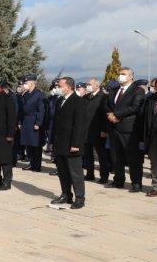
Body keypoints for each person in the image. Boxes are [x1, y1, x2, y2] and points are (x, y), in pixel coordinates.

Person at [105, 67, 146, 192]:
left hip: (129, 129)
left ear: (131, 77)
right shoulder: (114, 90)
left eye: (123, 74)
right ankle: (118, 180)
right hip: (114, 128)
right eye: (120, 74)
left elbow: (135, 107)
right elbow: (107, 105)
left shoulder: (137, 90)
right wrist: (109, 114)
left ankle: (136, 183)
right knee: (116, 157)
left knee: (133, 158)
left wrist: (117, 115)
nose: (120, 76)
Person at [50, 77, 88, 209]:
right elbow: (56, 123)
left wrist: (76, 144)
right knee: (63, 172)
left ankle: (80, 198)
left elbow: (80, 125)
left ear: (68, 87)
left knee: (75, 172)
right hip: (60, 142)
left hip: (72, 144)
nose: (58, 88)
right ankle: (66, 194)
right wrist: (52, 141)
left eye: (60, 86)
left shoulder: (78, 101)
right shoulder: (60, 100)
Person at [83, 78, 110, 182]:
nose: (87, 86)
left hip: (98, 131)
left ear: (97, 85)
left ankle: (104, 176)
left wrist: (105, 130)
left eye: (89, 84)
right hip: (86, 130)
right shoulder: (85, 97)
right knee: (87, 155)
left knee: (101, 155)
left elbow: (105, 115)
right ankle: (90, 174)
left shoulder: (103, 97)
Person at [19, 74, 46, 172]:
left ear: (32, 83)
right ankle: (31, 163)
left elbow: (41, 110)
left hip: (34, 121)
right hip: (26, 121)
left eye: (26, 83)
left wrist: (38, 123)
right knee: (28, 145)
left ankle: (37, 165)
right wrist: (20, 122)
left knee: (36, 145)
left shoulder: (39, 94)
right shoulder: (26, 94)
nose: (24, 85)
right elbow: (22, 110)